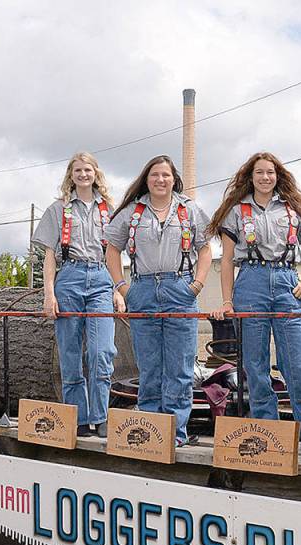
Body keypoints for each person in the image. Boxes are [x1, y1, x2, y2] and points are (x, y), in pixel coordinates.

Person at [208, 152, 301, 453]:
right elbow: (226, 261)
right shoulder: (236, 212)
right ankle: (267, 433)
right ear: (250, 177)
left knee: (299, 366)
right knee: (255, 365)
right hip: (250, 283)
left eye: (270, 172)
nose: (265, 177)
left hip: (287, 281)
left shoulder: (293, 209)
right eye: (259, 172)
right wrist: (227, 300)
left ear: (278, 176)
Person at [106, 155, 212, 447]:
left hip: (180, 288)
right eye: (155, 175)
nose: (160, 180)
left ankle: (176, 434)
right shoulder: (132, 211)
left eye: (165, 175)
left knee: (179, 366)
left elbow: (205, 249)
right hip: (142, 290)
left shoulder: (189, 209)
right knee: (150, 366)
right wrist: (122, 286)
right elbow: (111, 250)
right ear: (146, 178)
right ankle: (151, 431)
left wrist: (197, 285)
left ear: (174, 178)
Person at [31, 152, 118, 438]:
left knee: (101, 350)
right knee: (70, 352)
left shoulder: (110, 209)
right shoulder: (58, 209)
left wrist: (119, 288)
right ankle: (78, 418)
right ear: (71, 174)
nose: (83, 174)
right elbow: (48, 256)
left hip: (101, 278)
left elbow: (116, 254)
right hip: (69, 276)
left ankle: (101, 415)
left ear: (96, 173)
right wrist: (48, 294)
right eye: (78, 170)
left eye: (88, 169)